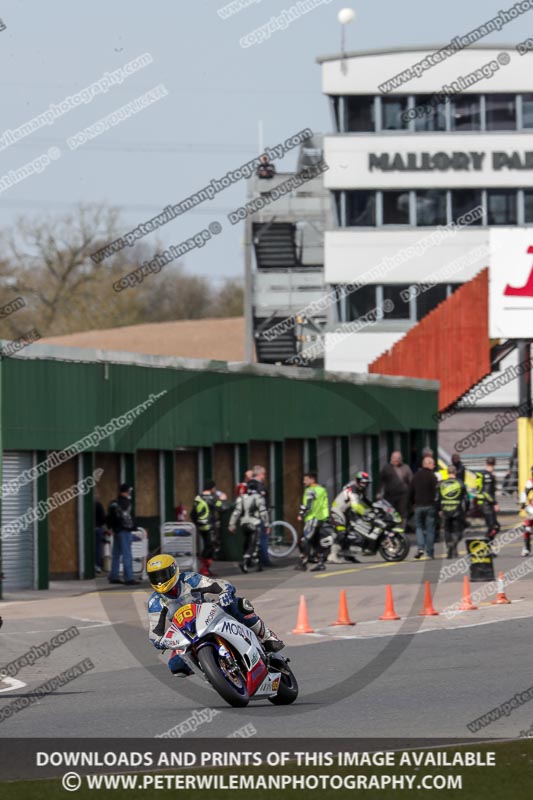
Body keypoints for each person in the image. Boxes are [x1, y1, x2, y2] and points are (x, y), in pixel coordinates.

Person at [146, 555, 284, 677]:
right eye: (155, 577)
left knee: (239, 605)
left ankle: (267, 637)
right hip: (186, 632)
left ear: (174, 570)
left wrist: (225, 592)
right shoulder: (155, 602)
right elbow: (154, 633)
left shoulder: (189, 579)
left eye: (163, 575)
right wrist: (161, 641)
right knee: (176, 667)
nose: (160, 581)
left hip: (210, 614)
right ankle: (212, 672)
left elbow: (218, 584)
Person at [331, 472, 374, 563]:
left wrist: (374, 508)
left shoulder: (360, 490)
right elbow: (355, 505)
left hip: (346, 512)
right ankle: (333, 554)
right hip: (338, 510)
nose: (365, 485)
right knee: (341, 532)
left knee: (352, 534)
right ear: (357, 481)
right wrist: (366, 513)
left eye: (366, 483)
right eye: (363, 483)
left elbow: (365, 501)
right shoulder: (353, 490)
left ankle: (347, 554)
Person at [229, 479, 270, 573]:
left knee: (247, 543)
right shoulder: (258, 497)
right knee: (253, 544)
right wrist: (267, 524)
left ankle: (251, 563)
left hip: (244, 524)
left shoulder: (242, 498)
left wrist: (232, 524)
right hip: (254, 523)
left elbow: (236, 512)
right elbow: (263, 512)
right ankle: (245, 562)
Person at [295, 472, 333, 572]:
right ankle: (320, 563)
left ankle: (303, 562)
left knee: (304, 540)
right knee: (316, 542)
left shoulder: (310, 491)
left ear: (312, 480)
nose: (303, 482)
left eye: (305, 479)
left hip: (312, 518)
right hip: (321, 518)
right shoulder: (321, 489)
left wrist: (301, 514)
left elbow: (308, 505)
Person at [106, 484, 140, 585]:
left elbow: (109, 517)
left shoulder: (113, 503)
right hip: (125, 530)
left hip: (116, 531)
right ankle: (129, 578)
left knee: (116, 554)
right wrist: (134, 526)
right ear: (126, 491)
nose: (130, 493)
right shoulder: (126, 503)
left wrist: (110, 528)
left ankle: (114, 576)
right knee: (127, 555)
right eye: (129, 491)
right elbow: (129, 517)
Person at [190, 481, 224, 577]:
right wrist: (223, 499)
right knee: (211, 547)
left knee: (208, 545)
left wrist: (198, 523)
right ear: (212, 488)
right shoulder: (212, 498)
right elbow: (222, 508)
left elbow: (192, 514)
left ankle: (206, 569)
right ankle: (204, 568)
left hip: (202, 526)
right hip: (210, 526)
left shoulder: (198, 498)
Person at [438, 464, 468, 559]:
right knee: (458, 530)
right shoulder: (460, 483)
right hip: (457, 510)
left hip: (445, 509)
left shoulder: (441, 484)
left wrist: (439, 509)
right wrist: (466, 510)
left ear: (447, 472)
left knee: (447, 529)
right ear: (455, 472)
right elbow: (466, 499)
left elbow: (437, 498)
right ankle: (454, 544)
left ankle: (449, 547)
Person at [410, 456, 438, 559]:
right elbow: (437, 492)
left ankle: (420, 547)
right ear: (428, 464)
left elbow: (411, 491)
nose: (434, 466)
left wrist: (412, 503)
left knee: (419, 527)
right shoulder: (433, 477)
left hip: (418, 506)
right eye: (433, 464)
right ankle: (430, 552)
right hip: (430, 506)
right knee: (430, 529)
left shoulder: (416, 476)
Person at [379, 451, 412, 527]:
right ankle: (390, 528)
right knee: (390, 513)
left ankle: (402, 530)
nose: (396, 460)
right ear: (391, 458)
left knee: (403, 513)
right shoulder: (386, 468)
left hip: (403, 495)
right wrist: (379, 492)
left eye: (398, 459)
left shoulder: (406, 468)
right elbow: (381, 481)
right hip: (389, 495)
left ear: (401, 459)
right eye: (394, 458)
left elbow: (411, 481)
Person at [475, 457, 500, 542]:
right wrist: (495, 503)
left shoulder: (484, 474)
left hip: (485, 503)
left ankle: (488, 546)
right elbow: (486, 493)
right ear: (495, 464)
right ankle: (486, 546)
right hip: (486, 504)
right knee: (493, 526)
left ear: (486, 463)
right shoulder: (487, 476)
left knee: (494, 526)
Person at [252, 465, 272, 567]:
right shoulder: (260, 487)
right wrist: (267, 522)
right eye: (263, 474)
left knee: (251, 538)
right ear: (260, 474)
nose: (264, 476)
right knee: (263, 537)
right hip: (260, 516)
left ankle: (250, 560)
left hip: (249, 517)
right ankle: (265, 560)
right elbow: (262, 506)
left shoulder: (248, 485)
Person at [519, 466, 533, 556]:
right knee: (527, 527)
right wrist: (523, 503)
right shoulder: (531, 481)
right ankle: (526, 548)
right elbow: (524, 492)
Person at [94, 491, 107, 575]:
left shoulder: (88, 505)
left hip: (90, 529)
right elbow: (103, 518)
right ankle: (97, 566)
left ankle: (93, 565)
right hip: (98, 528)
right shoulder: (98, 505)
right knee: (98, 549)